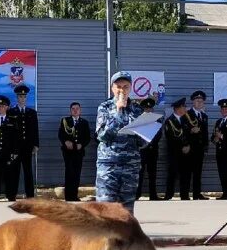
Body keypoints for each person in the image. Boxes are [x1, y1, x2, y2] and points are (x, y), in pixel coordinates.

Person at [95, 70, 143, 213]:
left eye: (125, 86)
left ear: (131, 88)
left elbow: (142, 142)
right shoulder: (105, 107)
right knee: (105, 209)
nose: (122, 90)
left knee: (126, 211)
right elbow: (102, 136)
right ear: (112, 88)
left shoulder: (137, 109)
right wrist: (118, 112)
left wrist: (147, 133)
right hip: (109, 165)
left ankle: (125, 236)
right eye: (118, 87)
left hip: (130, 165)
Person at [8, 84, 39, 198]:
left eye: (24, 96)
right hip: (15, 148)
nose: (22, 98)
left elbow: (35, 130)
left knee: (28, 172)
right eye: (20, 96)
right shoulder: (11, 112)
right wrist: (10, 148)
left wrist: (36, 144)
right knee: (14, 172)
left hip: (27, 147)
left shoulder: (32, 112)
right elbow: (9, 131)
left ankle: (30, 196)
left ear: (26, 98)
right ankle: (12, 196)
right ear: (17, 98)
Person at [58, 101, 91, 202]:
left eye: (77, 109)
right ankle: (68, 196)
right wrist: (65, 142)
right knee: (69, 172)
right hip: (68, 151)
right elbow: (61, 134)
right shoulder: (65, 121)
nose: (75, 110)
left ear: (80, 110)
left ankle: (75, 195)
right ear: (70, 110)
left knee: (77, 173)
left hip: (79, 151)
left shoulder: (84, 122)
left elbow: (87, 137)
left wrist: (82, 144)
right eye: (73, 109)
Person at [163, 97, 191, 200]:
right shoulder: (169, 121)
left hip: (186, 153)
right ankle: (168, 195)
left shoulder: (186, 119)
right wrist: (181, 147)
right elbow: (170, 138)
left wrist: (188, 146)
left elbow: (189, 135)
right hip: (174, 153)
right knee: (172, 174)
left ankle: (185, 195)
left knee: (185, 175)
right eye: (184, 107)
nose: (185, 109)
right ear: (178, 108)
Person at [185, 90, 210, 200]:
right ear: (193, 102)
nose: (199, 103)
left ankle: (197, 193)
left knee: (198, 173)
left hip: (199, 149)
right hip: (190, 148)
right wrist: (190, 131)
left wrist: (206, 146)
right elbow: (183, 131)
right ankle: (185, 194)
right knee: (187, 172)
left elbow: (205, 132)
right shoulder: (187, 115)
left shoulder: (204, 115)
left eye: (201, 101)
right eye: (197, 101)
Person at [136, 97, 160, 200]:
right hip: (141, 150)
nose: (149, 110)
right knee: (140, 173)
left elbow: (159, 133)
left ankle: (153, 195)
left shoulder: (157, 119)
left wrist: (151, 143)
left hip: (153, 149)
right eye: (146, 109)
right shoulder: (138, 120)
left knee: (152, 173)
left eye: (150, 109)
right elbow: (136, 134)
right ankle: (137, 194)